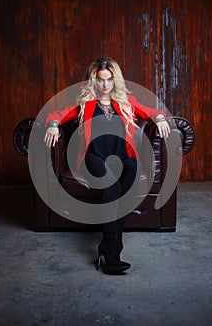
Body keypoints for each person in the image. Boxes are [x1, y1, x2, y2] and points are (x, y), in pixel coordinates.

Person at [44, 57, 170, 274]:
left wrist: (160, 118)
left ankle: (107, 247)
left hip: (123, 157)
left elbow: (151, 111)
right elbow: (56, 114)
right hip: (94, 157)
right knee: (112, 188)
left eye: (109, 79)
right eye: (101, 80)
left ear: (115, 80)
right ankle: (113, 256)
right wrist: (53, 125)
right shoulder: (85, 103)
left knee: (124, 194)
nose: (105, 85)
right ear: (94, 81)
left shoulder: (126, 101)